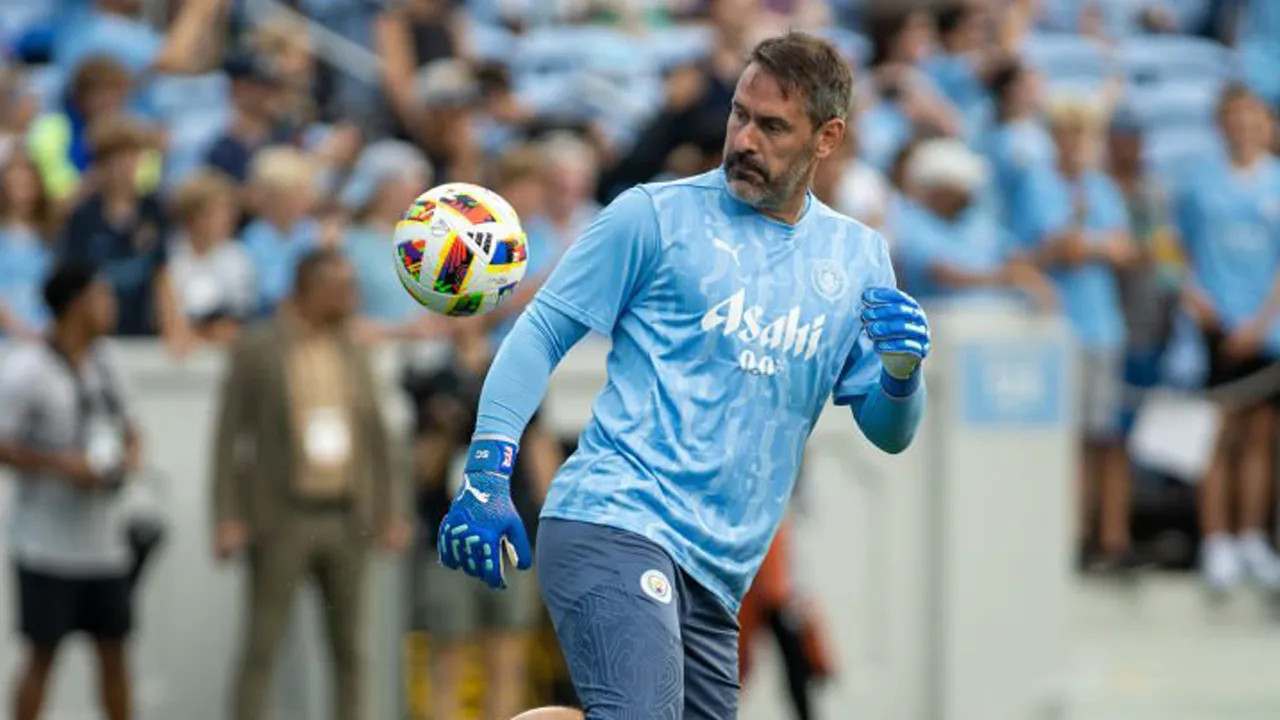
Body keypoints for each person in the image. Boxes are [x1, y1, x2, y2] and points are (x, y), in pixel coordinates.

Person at [436, 32, 930, 719]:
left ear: (828, 137)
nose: (745, 140)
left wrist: (903, 378)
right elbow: (541, 332)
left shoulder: (859, 257)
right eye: (739, 115)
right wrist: (488, 472)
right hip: (615, 518)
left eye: (773, 126)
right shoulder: (653, 214)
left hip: (719, 573)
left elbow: (888, 432)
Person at [210, 248, 411, 720]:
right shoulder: (260, 348)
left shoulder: (355, 348)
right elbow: (228, 438)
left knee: (350, 650)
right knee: (262, 646)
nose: (351, 297)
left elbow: (377, 436)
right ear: (309, 289)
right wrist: (227, 516)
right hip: (283, 515)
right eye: (340, 287)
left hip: (347, 513)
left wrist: (391, 509)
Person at [0, 261, 140, 720]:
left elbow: (132, 428)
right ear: (76, 304)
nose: (111, 306)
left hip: (104, 543)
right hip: (46, 544)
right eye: (102, 297)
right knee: (42, 657)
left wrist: (127, 460)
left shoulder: (108, 362)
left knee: (115, 654)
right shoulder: (28, 369)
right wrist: (63, 466)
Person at [405, 316, 560, 720]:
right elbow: (423, 469)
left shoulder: (513, 372)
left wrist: (550, 532)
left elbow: (540, 452)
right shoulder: (431, 379)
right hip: (450, 538)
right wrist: (443, 426)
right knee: (447, 658)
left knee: (507, 659)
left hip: (510, 535)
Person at [1011, 96, 1138, 574]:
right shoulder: (1040, 186)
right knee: (1062, 439)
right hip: (1057, 329)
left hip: (1101, 327)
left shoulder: (1100, 188)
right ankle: (1068, 534)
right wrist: (1081, 241)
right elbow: (1044, 249)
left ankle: (1103, 534)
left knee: (1102, 436)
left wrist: (1085, 244)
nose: (1076, 144)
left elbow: (1122, 249)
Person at [1175, 83, 1280, 594]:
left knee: (1260, 437)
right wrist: (1197, 300)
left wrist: (1261, 322)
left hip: (1265, 331)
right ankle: (1214, 540)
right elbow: (1176, 249)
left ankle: (1250, 538)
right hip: (1213, 328)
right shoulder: (1199, 184)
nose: (1243, 124)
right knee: (1216, 436)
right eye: (1234, 115)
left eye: (1252, 115)